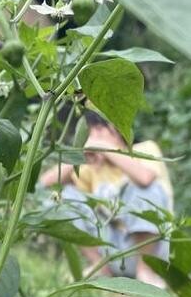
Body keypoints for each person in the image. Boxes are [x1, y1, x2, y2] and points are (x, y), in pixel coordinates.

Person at [38, 111, 174, 287]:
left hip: (153, 251)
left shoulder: (145, 149)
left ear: (117, 130)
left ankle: (145, 271)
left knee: (146, 190)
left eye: (99, 131)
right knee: (59, 200)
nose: (94, 139)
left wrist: (106, 150)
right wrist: (79, 155)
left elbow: (145, 178)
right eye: (89, 134)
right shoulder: (93, 169)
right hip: (111, 250)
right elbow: (43, 186)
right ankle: (100, 268)